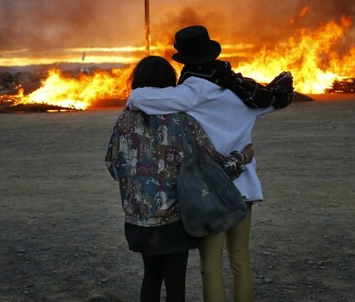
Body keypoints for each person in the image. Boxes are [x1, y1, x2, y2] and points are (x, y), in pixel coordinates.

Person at [126, 25, 294, 302]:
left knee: (211, 268)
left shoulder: (193, 91)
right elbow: (274, 101)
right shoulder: (243, 92)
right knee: (241, 259)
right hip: (245, 184)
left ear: (186, 60)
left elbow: (138, 97)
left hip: (209, 189)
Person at [105, 55, 254, 302]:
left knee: (150, 277)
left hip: (137, 220)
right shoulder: (183, 122)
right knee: (175, 283)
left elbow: (112, 165)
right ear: (170, 83)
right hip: (174, 221)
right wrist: (242, 157)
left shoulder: (122, 122)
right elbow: (211, 168)